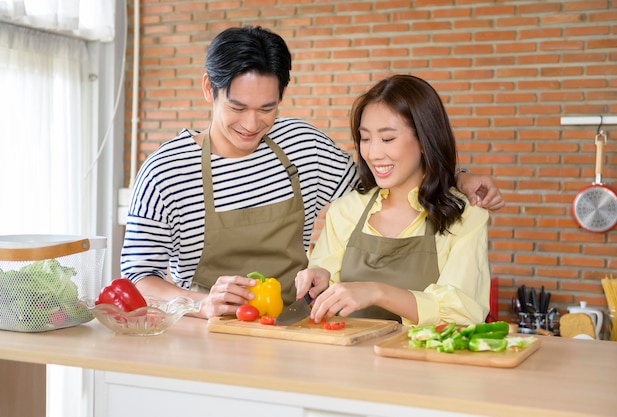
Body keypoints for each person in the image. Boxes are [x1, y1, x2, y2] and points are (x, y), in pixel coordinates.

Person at [121, 26, 502, 320]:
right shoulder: (166, 170)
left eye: (267, 108)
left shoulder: (304, 146)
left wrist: (458, 179)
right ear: (210, 89)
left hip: (294, 330)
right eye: (237, 107)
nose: (252, 124)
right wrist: (200, 303)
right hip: (209, 333)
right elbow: (139, 278)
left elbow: (385, 180)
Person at [295, 74, 491, 326]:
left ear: (424, 140)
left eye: (388, 139)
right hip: (347, 361)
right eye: (365, 138)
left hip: (426, 362)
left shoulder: (465, 215)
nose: (373, 153)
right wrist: (317, 280)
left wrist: (378, 292)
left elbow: (462, 313)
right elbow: (324, 291)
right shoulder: (346, 210)